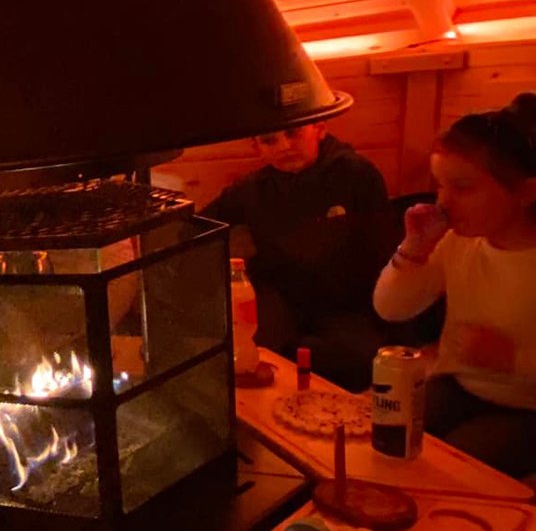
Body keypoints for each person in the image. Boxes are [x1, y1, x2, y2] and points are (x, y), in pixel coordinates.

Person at [373, 94, 536, 479]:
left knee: (451, 466)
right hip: (459, 384)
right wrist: (414, 249)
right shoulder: (459, 242)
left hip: (526, 408)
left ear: (527, 193)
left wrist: (514, 360)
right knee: (384, 439)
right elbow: (391, 309)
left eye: (462, 188)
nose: (443, 202)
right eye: (440, 186)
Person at [204, 121, 394, 391]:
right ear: (257, 147)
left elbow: (383, 251)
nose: (285, 146)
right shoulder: (251, 190)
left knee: (356, 358)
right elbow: (199, 226)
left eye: (294, 133)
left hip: (347, 307)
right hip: (282, 303)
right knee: (250, 350)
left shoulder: (357, 174)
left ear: (320, 128)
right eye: (270, 140)